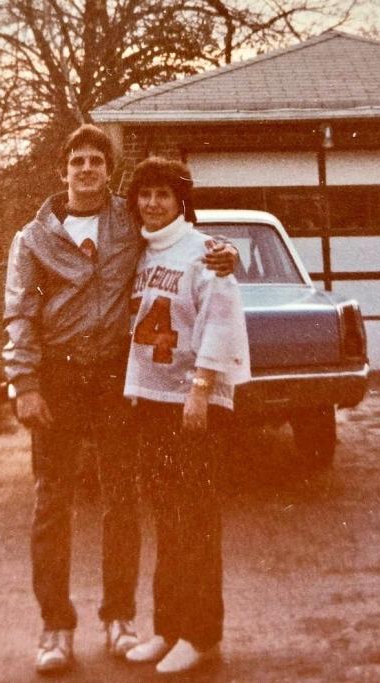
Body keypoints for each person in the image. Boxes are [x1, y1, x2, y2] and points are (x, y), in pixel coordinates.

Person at [2, 125, 238, 674]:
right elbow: (18, 315)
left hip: (115, 378)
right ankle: (56, 627)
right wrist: (25, 384)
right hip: (57, 378)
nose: (86, 169)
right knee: (52, 501)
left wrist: (224, 252)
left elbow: (182, 237)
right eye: (77, 161)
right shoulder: (32, 239)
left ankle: (119, 618)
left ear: (109, 171)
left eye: (96, 161)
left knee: (121, 501)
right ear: (62, 169)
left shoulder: (129, 222)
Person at [120, 157, 250, 675]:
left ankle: (201, 635)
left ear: (180, 202)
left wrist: (200, 388)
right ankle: (169, 627)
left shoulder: (206, 253)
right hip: (150, 400)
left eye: (163, 196)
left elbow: (221, 320)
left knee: (194, 520)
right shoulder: (139, 251)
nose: (152, 204)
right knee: (166, 519)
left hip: (192, 404)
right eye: (145, 195)